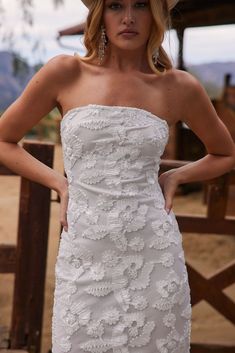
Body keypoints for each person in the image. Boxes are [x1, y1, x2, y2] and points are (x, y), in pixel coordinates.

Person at [0, 0, 234, 352]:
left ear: (155, 15)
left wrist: (175, 177)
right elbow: (4, 140)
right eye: (115, 6)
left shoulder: (178, 87)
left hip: (153, 251)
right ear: (99, 15)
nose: (128, 17)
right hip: (86, 251)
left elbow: (224, 152)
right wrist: (59, 183)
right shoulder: (65, 72)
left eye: (140, 5)